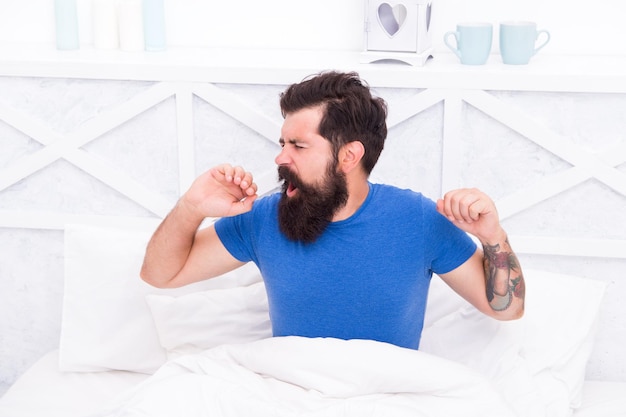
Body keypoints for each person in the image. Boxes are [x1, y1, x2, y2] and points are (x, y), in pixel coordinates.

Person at [141, 71, 525, 350]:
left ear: (349, 156)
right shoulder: (263, 217)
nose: (280, 157)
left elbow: (505, 310)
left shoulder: (418, 219)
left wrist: (493, 236)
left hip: (389, 396)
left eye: (298, 146)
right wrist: (191, 207)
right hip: (289, 392)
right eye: (282, 143)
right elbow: (161, 275)